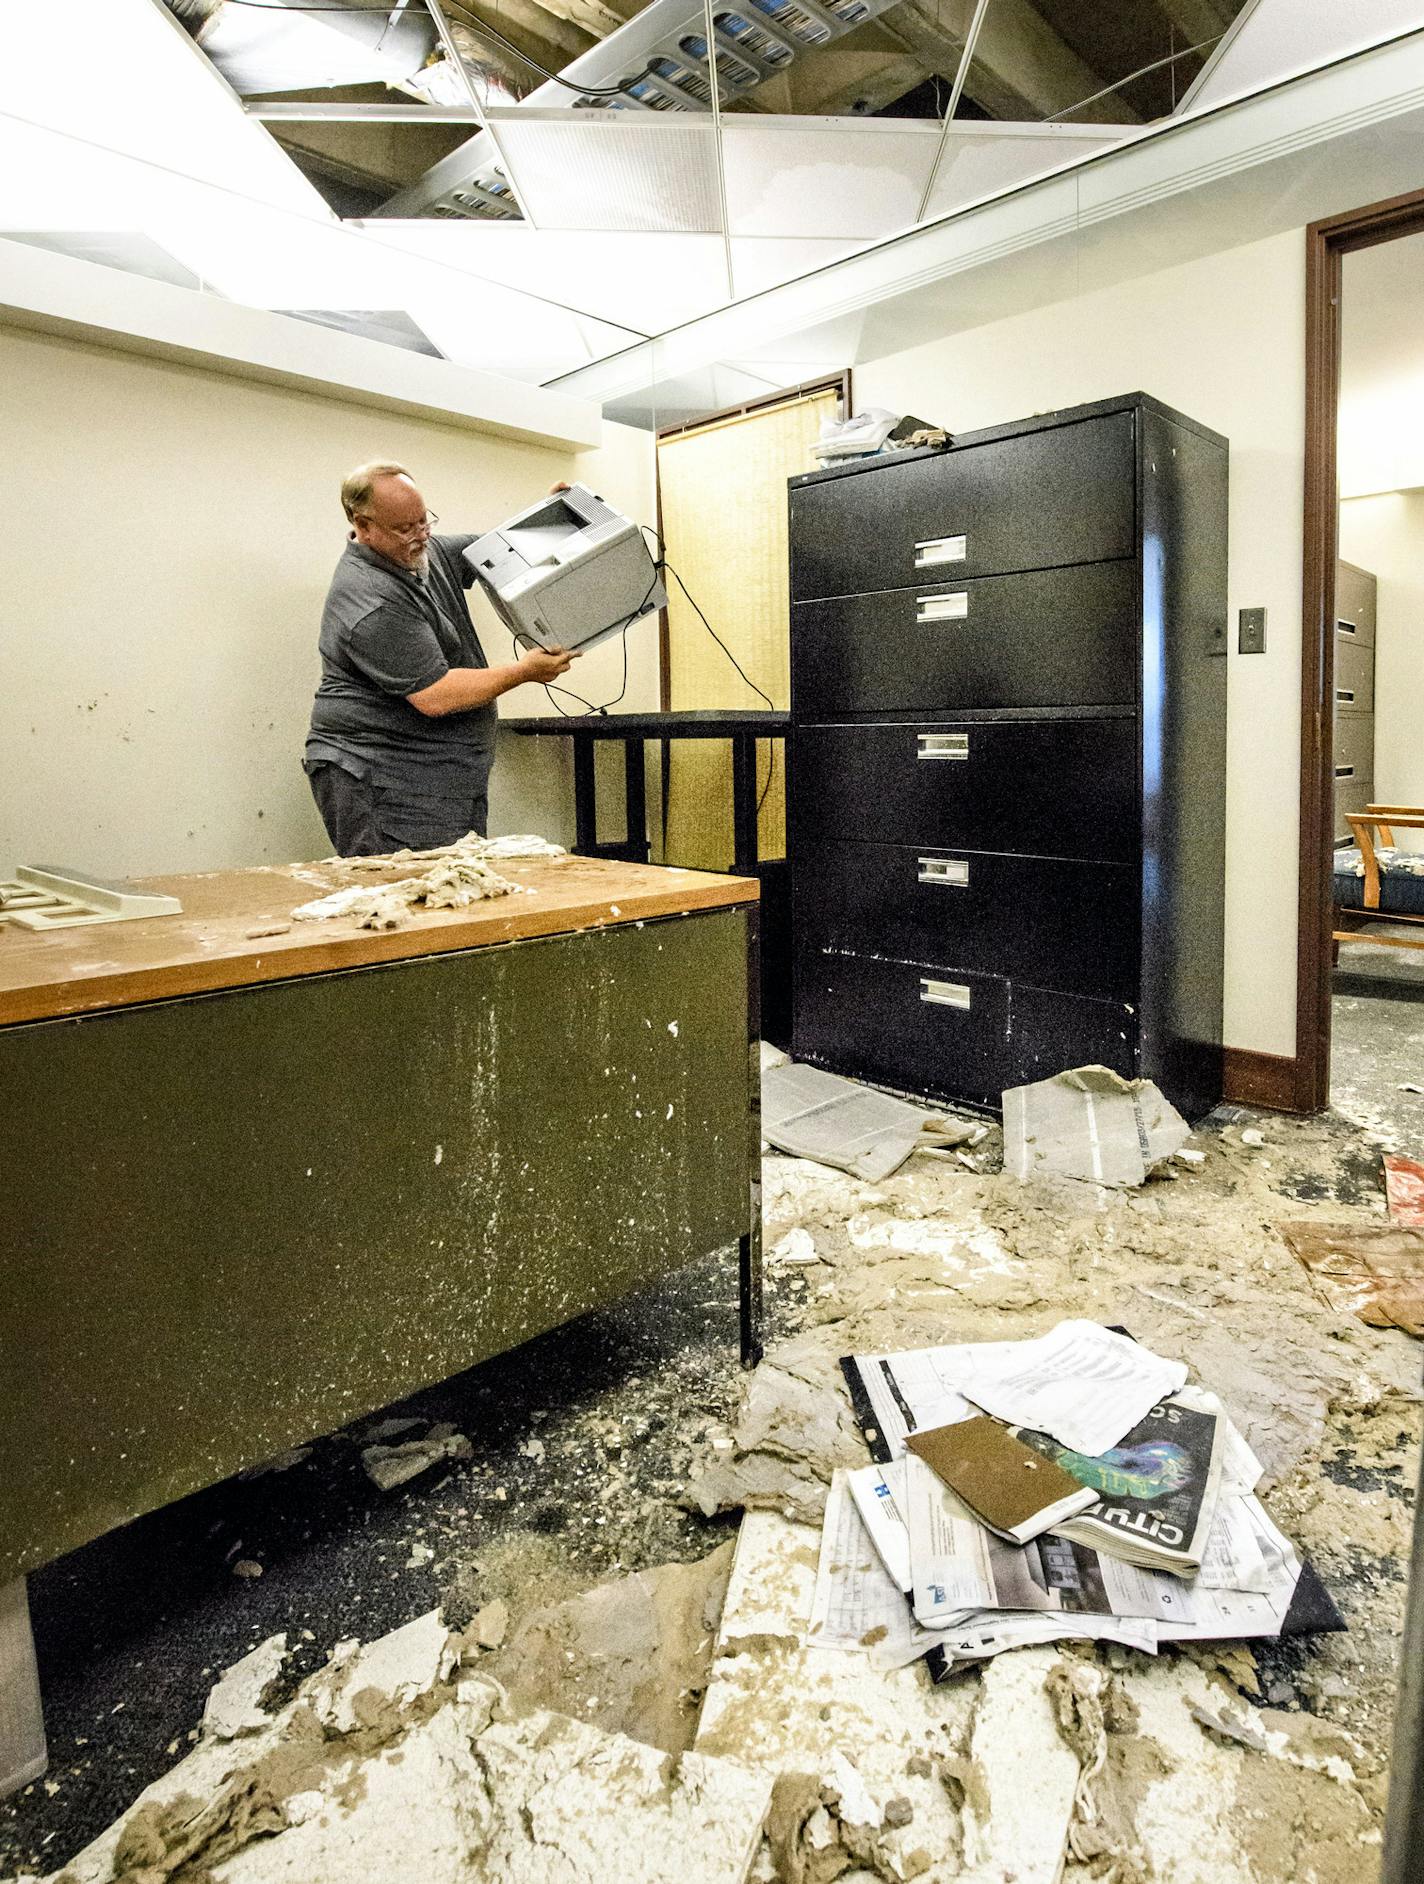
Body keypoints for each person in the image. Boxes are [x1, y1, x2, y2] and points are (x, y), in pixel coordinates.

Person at [304, 461, 578, 856]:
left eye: (424, 521)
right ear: (364, 527)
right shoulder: (371, 601)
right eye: (404, 528)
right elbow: (436, 695)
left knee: (452, 889)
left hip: (441, 775)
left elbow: (499, 549)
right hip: (386, 780)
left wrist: (553, 515)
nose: (421, 536)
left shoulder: (423, 552)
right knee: (413, 899)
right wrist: (525, 671)